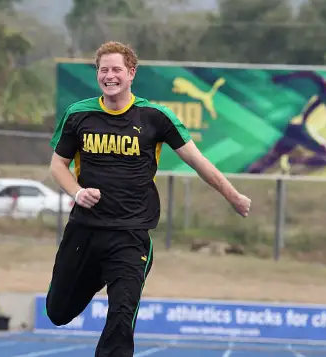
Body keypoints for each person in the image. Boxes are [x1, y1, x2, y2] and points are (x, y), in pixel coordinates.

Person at [46, 41, 251, 357]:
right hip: (84, 231)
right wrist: (77, 192)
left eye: (117, 70)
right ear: (97, 74)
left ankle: (116, 275)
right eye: (104, 70)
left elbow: (198, 162)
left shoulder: (155, 116)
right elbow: (57, 165)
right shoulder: (79, 114)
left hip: (130, 236)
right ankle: (100, 272)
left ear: (131, 73)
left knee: (120, 318)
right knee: (57, 312)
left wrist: (233, 195)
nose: (110, 76)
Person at [247, 71, 326, 174]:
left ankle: (248, 176)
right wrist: (285, 77)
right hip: (303, 128)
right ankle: (293, 159)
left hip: (295, 128)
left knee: (271, 157)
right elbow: (313, 75)